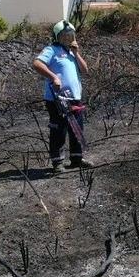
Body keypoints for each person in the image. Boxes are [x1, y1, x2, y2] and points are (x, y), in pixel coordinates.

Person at [32, 20, 92, 173]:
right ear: (57, 36)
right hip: (58, 98)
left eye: (70, 35)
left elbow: (85, 70)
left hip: (75, 98)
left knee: (77, 128)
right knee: (59, 129)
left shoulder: (72, 52)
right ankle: (58, 162)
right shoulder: (51, 50)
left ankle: (77, 159)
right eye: (64, 36)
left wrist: (76, 53)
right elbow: (37, 63)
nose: (67, 38)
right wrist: (54, 77)